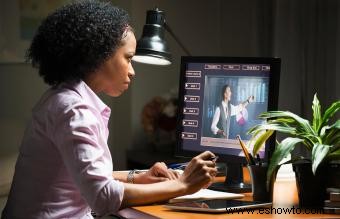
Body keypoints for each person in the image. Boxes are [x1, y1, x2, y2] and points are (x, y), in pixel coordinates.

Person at [1, 1, 217, 218]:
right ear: (99, 54)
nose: (133, 71)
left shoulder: (63, 98)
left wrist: (137, 177)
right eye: (128, 58)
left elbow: (84, 176)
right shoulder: (74, 110)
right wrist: (184, 185)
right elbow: (103, 196)